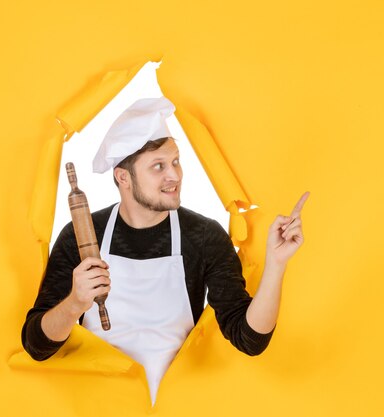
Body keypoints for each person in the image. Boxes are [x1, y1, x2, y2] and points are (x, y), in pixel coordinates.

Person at [21, 97, 308, 403]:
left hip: (177, 403)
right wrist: (75, 303)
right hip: (100, 405)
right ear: (123, 177)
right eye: (158, 166)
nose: (174, 175)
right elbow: (37, 346)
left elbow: (249, 339)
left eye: (175, 161)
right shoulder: (80, 236)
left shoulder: (203, 236)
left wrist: (277, 264)